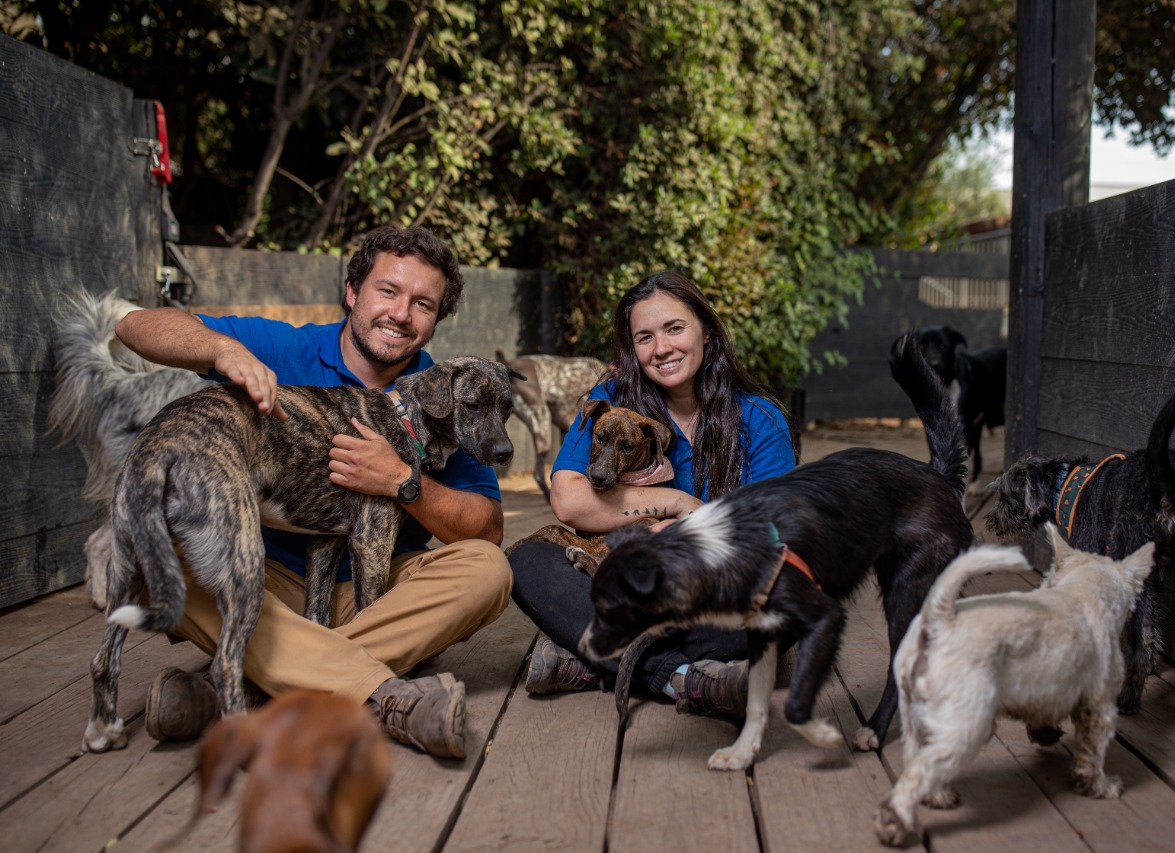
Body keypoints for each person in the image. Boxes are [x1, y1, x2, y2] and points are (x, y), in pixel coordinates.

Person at [113, 225, 511, 759]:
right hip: (259, 581)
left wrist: (401, 482)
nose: (401, 313)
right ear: (353, 292)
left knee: (488, 570)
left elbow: (486, 531)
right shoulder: (287, 347)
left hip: (378, 598)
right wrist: (220, 349)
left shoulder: (449, 396)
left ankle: (256, 683)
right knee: (158, 544)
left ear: (436, 318)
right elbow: (135, 326)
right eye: (387, 291)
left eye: (423, 303)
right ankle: (378, 692)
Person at [507, 269, 797, 717]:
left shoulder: (759, 418)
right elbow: (568, 502)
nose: (661, 348)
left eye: (675, 328)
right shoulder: (610, 402)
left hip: (708, 591)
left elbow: (772, 533)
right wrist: (676, 504)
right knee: (528, 562)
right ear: (632, 348)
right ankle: (684, 678)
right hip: (623, 582)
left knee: (791, 591)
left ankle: (595, 663)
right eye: (644, 337)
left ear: (706, 331)